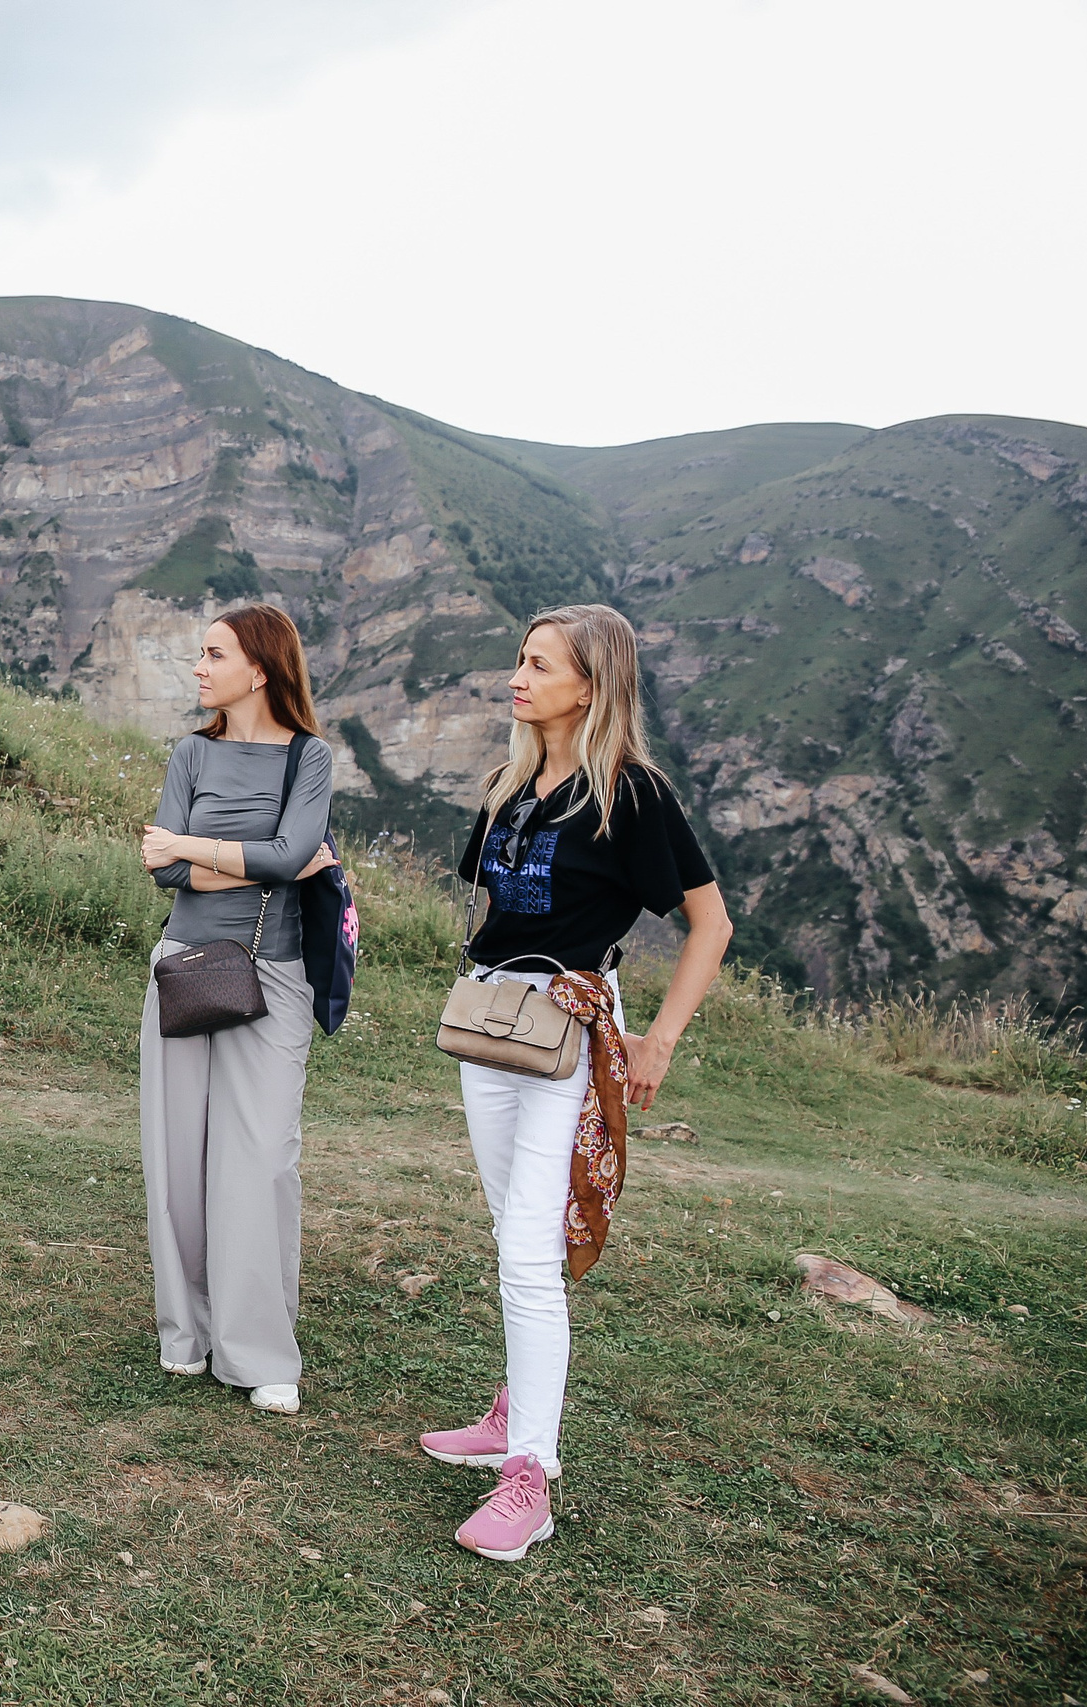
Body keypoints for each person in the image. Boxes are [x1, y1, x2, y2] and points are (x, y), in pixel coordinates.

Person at [419, 602, 730, 1561]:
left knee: (525, 1250)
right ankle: (516, 1406)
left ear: (589, 684)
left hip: (565, 1036)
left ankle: (532, 1475)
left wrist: (659, 1041)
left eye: (539, 664)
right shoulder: (513, 786)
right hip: (490, 1029)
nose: (517, 676)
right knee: (513, 1223)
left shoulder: (630, 795)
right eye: (518, 659)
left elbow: (708, 924)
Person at [137, 605, 337, 1417]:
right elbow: (162, 869)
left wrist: (192, 848)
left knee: (261, 1157)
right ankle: (185, 1331)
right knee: (178, 1156)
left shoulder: (308, 759)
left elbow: (293, 857)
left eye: (213, 653)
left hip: (275, 975)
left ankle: (257, 1350)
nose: (199, 666)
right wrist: (233, 862)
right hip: (185, 966)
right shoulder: (192, 751)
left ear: (259, 668)